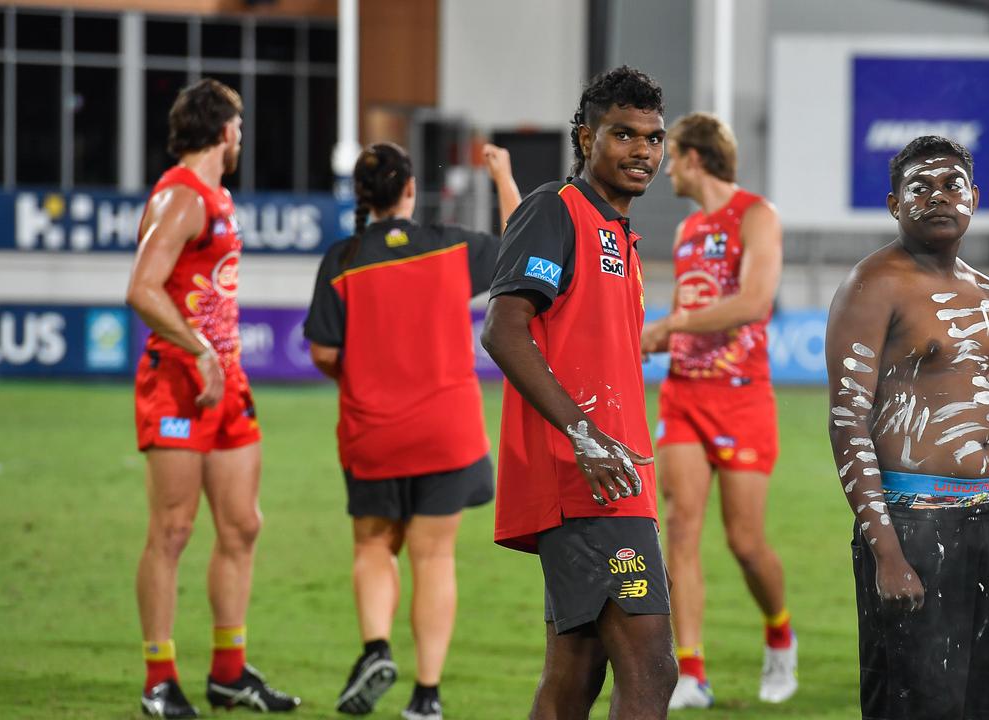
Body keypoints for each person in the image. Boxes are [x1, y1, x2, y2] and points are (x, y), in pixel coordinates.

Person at [824, 135, 989, 719]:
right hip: (913, 528)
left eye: (952, 185)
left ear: (974, 197)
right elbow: (848, 424)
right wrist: (887, 554)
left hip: (988, 528)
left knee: (984, 705)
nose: (938, 197)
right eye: (918, 187)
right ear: (894, 204)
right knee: (914, 706)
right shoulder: (872, 285)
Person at [480, 65, 678, 719]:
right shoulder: (555, 211)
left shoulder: (620, 233)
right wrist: (584, 435)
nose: (641, 151)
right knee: (651, 666)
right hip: (585, 480)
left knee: (577, 671)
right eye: (623, 135)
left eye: (652, 138)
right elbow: (504, 330)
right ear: (586, 136)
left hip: (611, 478)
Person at [303, 141, 521, 719]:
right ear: (409, 190)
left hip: (373, 432)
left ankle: (376, 648)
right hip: (446, 431)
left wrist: (360, 371)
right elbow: (520, 252)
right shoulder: (450, 245)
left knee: (376, 546)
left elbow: (323, 350)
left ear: (362, 198)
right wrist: (502, 176)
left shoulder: (343, 259)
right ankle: (426, 696)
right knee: (434, 559)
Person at [126, 78, 299, 717]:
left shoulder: (217, 196)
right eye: (241, 127)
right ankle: (158, 679)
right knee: (172, 530)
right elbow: (142, 288)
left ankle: (228, 672)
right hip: (178, 380)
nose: (242, 138)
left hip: (226, 380)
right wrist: (200, 350)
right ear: (224, 130)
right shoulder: (180, 196)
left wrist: (216, 358)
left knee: (243, 525)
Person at [637, 112, 794, 709]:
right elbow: (691, 304)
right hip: (684, 395)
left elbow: (754, 303)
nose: (664, 166)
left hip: (742, 399)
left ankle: (780, 632)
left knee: (745, 542)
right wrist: (663, 340)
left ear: (696, 158)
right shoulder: (686, 231)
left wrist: (673, 323)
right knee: (678, 527)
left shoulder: (758, 216)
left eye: (670, 154)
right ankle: (692, 671)